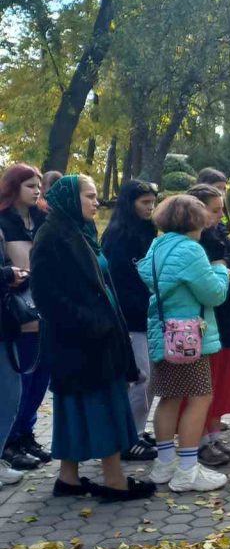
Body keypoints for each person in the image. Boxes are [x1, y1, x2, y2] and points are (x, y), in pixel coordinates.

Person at [30, 174, 156, 501]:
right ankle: (114, 481)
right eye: (89, 196)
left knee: (81, 407)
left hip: (95, 339)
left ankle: (68, 478)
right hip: (80, 342)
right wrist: (92, 323)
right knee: (102, 406)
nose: (96, 202)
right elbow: (46, 295)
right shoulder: (52, 235)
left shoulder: (80, 230)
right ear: (71, 199)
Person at [139, 194, 230, 492]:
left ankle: (165, 463)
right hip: (188, 337)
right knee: (199, 397)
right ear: (194, 221)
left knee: (169, 398)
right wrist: (222, 271)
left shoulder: (157, 246)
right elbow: (213, 293)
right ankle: (188, 470)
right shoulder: (191, 250)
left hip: (162, 332)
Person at [186, 183, 230, 466]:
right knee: (205, 385)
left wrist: (227, 264)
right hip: (205, 323)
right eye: (214, 211)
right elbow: (215, 288)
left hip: (228, 319)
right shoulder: (193, 244)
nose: (219, 216)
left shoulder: (218, 236)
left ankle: (214, 437)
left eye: (220, 210)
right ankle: (200, 441)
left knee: (221, 384)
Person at [101, 179, 160, 460]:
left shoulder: (148, 230)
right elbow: (117, 279)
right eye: (144, 202)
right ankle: (128, 436)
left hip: (148, 312)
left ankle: (137, 428)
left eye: (152, 202)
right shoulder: (117, 236)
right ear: (129, 203)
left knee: (149, 377)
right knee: (139, 375)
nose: (150, 207)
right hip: (129, 315)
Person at [0, 164, 51, 469]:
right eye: (30, 185)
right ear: (13, 187)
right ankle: (11, 441)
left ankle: (26, 433)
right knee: (21, 379)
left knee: (41, 378)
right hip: (17, 311)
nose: (36, 191)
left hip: (46, 307)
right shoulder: (3, 221)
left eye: (38, 185)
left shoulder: (42, 218)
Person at [0, 237, 27, 489]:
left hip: (5, 326)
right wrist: (7, 273)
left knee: (10, 396)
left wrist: (12, 273)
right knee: (9, 395)